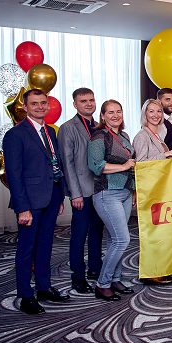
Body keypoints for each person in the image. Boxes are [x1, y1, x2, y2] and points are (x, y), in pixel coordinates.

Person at [4, 89, 70, 314]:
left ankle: (44, 287)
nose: (40, 107)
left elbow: (55, 164)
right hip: (30, 202)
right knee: (26, 250)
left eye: (43, 103)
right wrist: (22, 208)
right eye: (34, 103)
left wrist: (59, 196)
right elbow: (13, 175)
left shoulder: (50, 131)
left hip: (51, 197)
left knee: (45, 246)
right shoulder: (15, 134)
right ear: (25, 106)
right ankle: (25, 296)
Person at [87, 100, 136, 302]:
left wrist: (133, 190)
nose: (115, 115)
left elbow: (132, 165)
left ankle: (115, 279)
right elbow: (96, 166)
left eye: (119, 111)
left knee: (114, 240)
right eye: (110, 112)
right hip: (107, 193)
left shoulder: (124, 136)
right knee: (122, 239)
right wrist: (124, 166)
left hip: (125, 192)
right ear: (103, 116)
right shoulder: (99, 136)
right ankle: (102, 284)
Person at [57, 87, 103, 294]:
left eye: (91, 100)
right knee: (79, 235)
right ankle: (77, 276)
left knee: (97, 232)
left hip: (100, 189)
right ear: (75, 104)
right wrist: (74, 193)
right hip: (81, 191)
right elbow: (66, 163)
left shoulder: (99, 126)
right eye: (83, 101)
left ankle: (95, 268)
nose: (88, 104)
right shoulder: (68, 127)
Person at [132, 99, 172, 285]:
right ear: (145, 114)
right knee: (151, 232)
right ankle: (150, 273)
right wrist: (164, 155)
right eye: (151, 111)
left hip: (160, 188)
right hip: (150, 190)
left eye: (158, 111)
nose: (156, 115)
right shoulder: (142, 136)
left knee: (160, 231)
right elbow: (140, 163)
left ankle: (157, 268)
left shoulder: (158, 134)